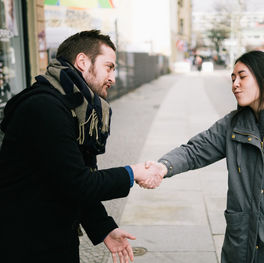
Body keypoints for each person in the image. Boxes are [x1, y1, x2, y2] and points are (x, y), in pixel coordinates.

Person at [148, 50, 264, 263]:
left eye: (242, 76)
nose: (235, 84)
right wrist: (163, 167)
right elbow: (195, 150)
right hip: (240, 248)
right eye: (233, 78)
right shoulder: (233, 124)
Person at [0, 30, 163, 263]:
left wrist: (104, 228)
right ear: (83, 62)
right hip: (27, 244)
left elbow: (72, 180)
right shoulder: (45, 108)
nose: (113, 78)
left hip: (54, 237)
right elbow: (79, 183)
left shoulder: (74, 108)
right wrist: (133, 172)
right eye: (109, 67)